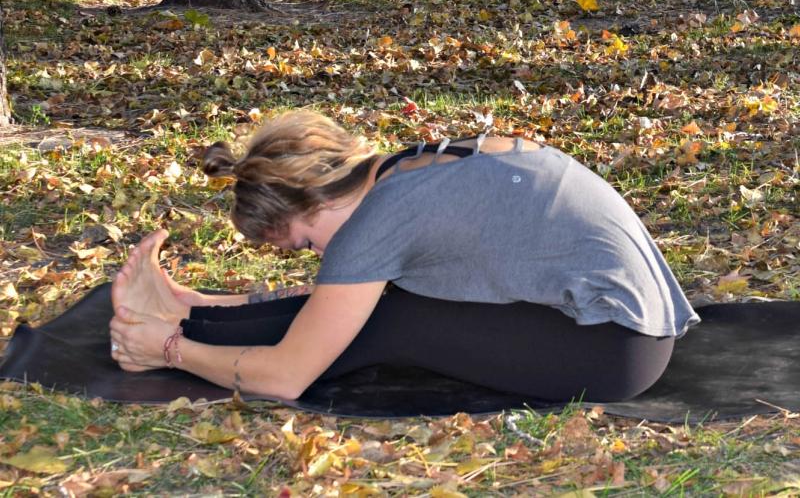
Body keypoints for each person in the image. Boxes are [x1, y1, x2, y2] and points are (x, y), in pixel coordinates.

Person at [108, 110, 701, 402]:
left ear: (314, 201)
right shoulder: (416, 163)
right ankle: (185, 307)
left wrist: (171, 351)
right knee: (373, 304)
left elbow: (288, 378)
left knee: (388, 319)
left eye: (308, 245)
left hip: (611, 351)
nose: (320, 257)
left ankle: (171, 322)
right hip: (624, 330)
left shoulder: (380, 217)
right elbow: (334, 301)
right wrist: (198, 306)